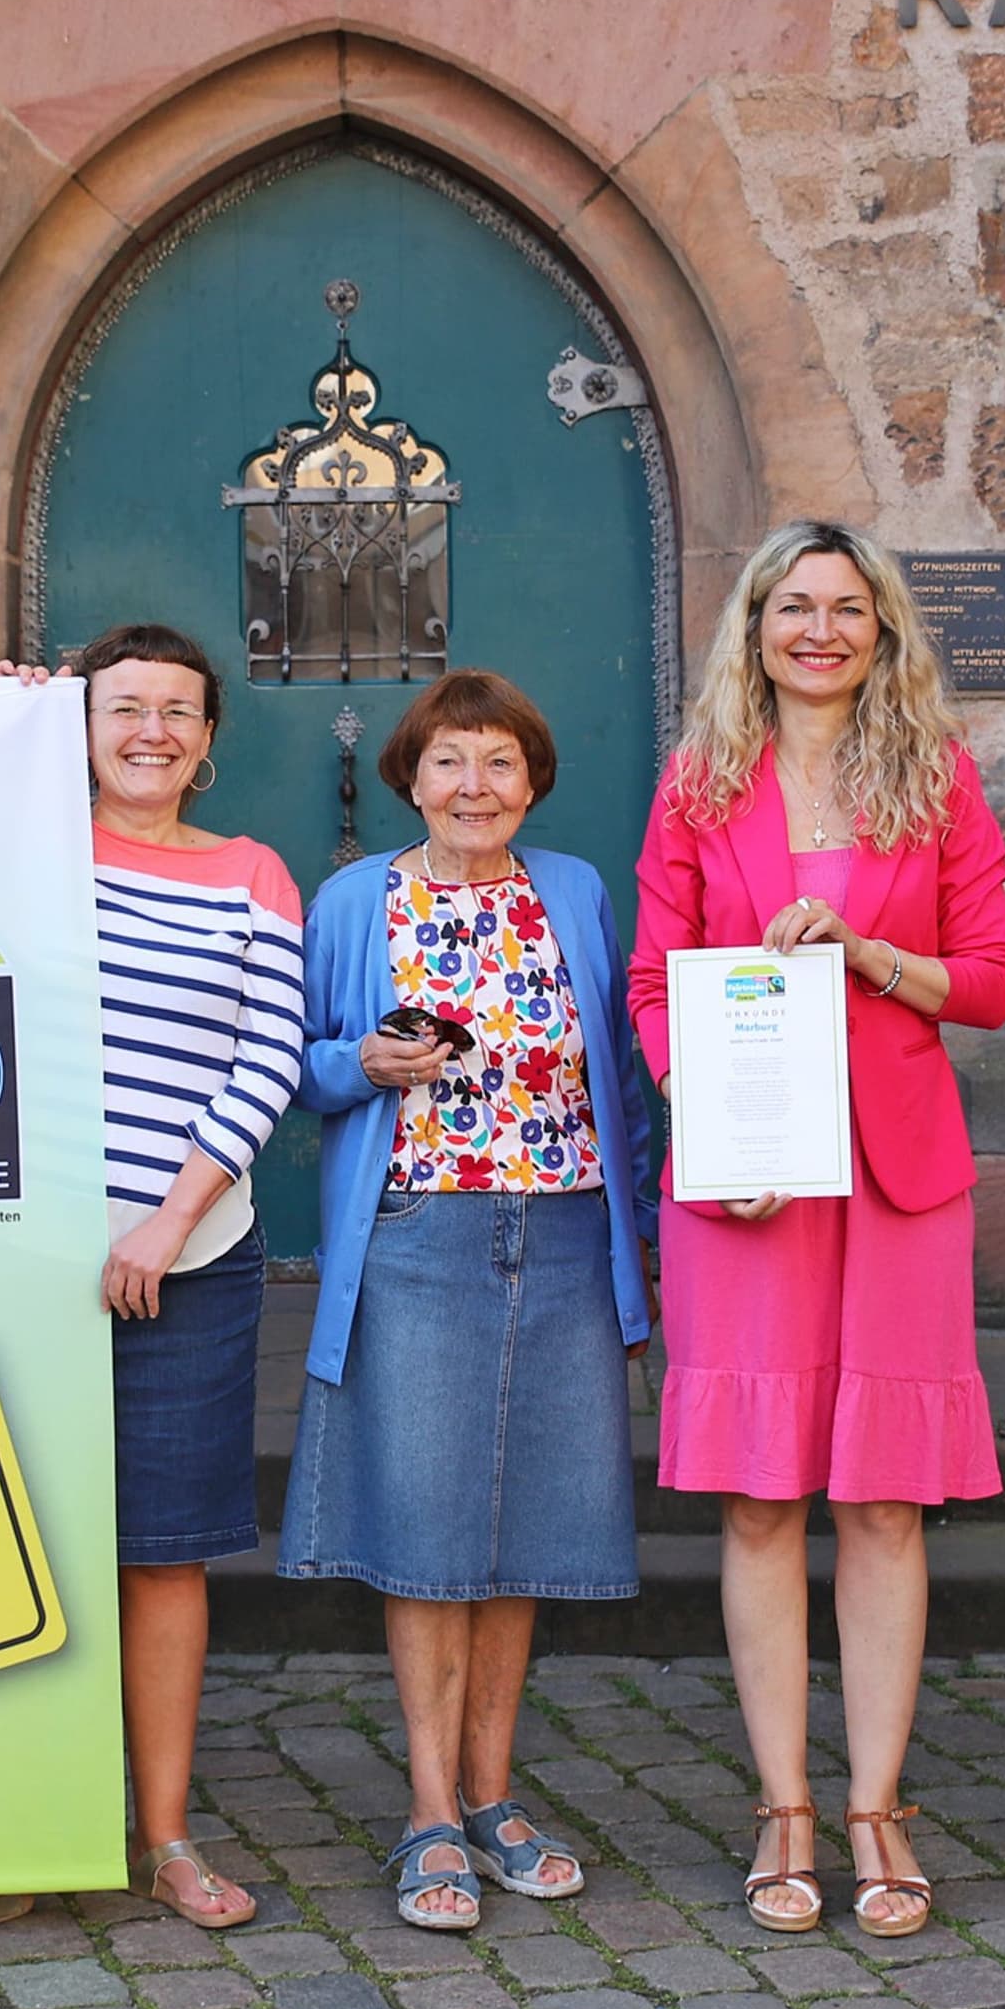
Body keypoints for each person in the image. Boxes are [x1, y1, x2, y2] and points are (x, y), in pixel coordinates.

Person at [0, 625, 304, 1951]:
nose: (152, 730)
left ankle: (163, 1835)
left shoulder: (252, 874)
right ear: (80, 728)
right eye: (124, 707)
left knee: (164, 1552)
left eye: (179, 710)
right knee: (8, 1545)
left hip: (191, 1259)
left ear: (209, 737)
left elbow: (267, 1056)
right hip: (16, 1257)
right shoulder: (21, 851)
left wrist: (168, 1224)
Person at [628, 524, 1005, 1938]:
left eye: (847, 608)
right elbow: (653, 983)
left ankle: (877, 1809)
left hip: (902, 1178)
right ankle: (784, 1804)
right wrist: (702, 1115)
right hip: (754, 1183)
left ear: (882, 628)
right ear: (755, 625)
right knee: (756, 1497)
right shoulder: (700, 782)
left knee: (880, 1501)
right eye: (794, 606)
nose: (819, 629)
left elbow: (990, 979)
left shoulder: (936, 777)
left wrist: (869, 956)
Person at [281, 670, 650, 1932]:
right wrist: (358, 1060)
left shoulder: (578, 891)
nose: (475, 786)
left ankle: (496, 1794)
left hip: (560, 1230)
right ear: (412, 778)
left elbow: (624, 1065)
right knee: (433, 1530)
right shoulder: (352, 900)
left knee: (526, 1526)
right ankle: (431, 1810)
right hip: (420, 1235)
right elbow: (300, 1062)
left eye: (500, 762)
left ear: (533, 780)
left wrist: (641, 1241)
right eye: (450, 762)